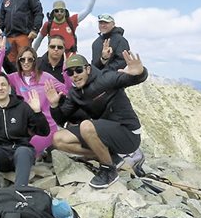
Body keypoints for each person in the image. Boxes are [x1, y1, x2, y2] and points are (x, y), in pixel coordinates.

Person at [47, 53, 147, 189]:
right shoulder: (75, 94)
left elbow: (131, 79)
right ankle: (110, 157)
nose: (75, 75)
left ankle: (108, 170)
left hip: (128, 133)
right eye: (70, 72)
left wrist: (140, 73)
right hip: (105, 134)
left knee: (86, 126)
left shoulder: (105, 78)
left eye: (79, 70)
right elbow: (61, 118)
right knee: (58, 139)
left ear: (88, 69)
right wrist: (54, 105)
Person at [0, 40, 67, 157]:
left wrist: (65, 72)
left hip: (46, 126)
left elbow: (67, 90)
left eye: (30, 59)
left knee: (26, 152)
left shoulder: (46, 77)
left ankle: (46, 150)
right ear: (19, 61)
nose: (26, 62)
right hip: (24, 126)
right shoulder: (14, 78)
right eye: (23, 59)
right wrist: (1, 53)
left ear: (35, 61)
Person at [0, 73, 49, 191]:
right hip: (1, 156)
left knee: (23, 151)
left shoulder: (23, 107)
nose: (0, 88)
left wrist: (37, 112)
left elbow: (44, 131)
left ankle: (19, 191)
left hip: (22, 153)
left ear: (9, 87)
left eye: (3, 85)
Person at [33, 0, 98, 53]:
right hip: (54, 57)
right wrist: (32, 53)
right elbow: (38, 40)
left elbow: (88, 10)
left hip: (71, 58)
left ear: (65, 12)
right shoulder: (48, 24)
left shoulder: (72, 20)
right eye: (57, 11)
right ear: (53, 12)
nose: (59, 13)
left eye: (62, 10)